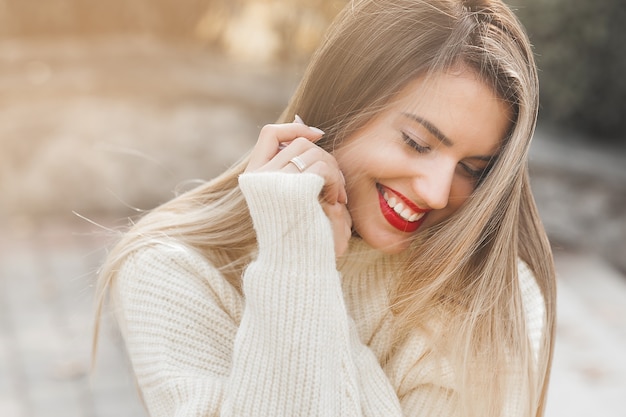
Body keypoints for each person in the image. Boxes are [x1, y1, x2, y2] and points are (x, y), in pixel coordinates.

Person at [93, 0, 556, 416]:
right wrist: (296, 256)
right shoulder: (171, 272)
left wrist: (312, 274)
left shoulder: (492, 297)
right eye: (417, 143)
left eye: (472, 169)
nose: (437, 193)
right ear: (343, 104)